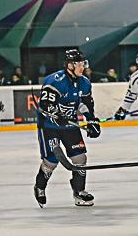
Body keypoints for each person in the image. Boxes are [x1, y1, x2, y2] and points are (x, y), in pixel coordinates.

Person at [33, 48, 100, 207]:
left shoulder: (84, 82)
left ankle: (79, 191)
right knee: (51, 161)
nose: (82, 67)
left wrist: (92, 121)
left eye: (83, 63)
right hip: (49, 126)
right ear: (70, 65)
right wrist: (57, 114)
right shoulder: (55, 81)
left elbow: (84, 104)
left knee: (80, 158)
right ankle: (40, 186)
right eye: (79, 64)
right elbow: (45, 104)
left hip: (70, 125)